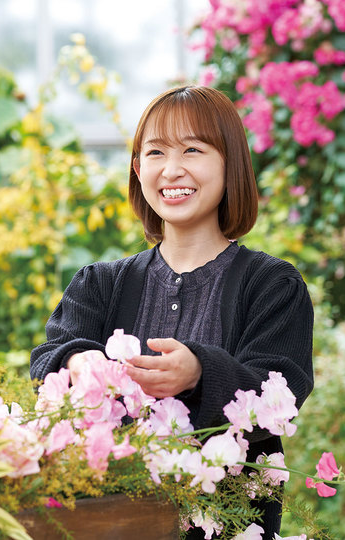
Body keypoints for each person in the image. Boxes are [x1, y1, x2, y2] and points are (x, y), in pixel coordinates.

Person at [30, 85, 314, 539]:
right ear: (139, 169)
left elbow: (282, 391)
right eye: (157, 152)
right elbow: (49, 355)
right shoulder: (99, 284)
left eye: (194, 150)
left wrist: (201, 373)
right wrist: (76, 361)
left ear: (230, 165)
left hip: (230, 526)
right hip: (110, 523)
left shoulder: (272, 285)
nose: (172, 169)